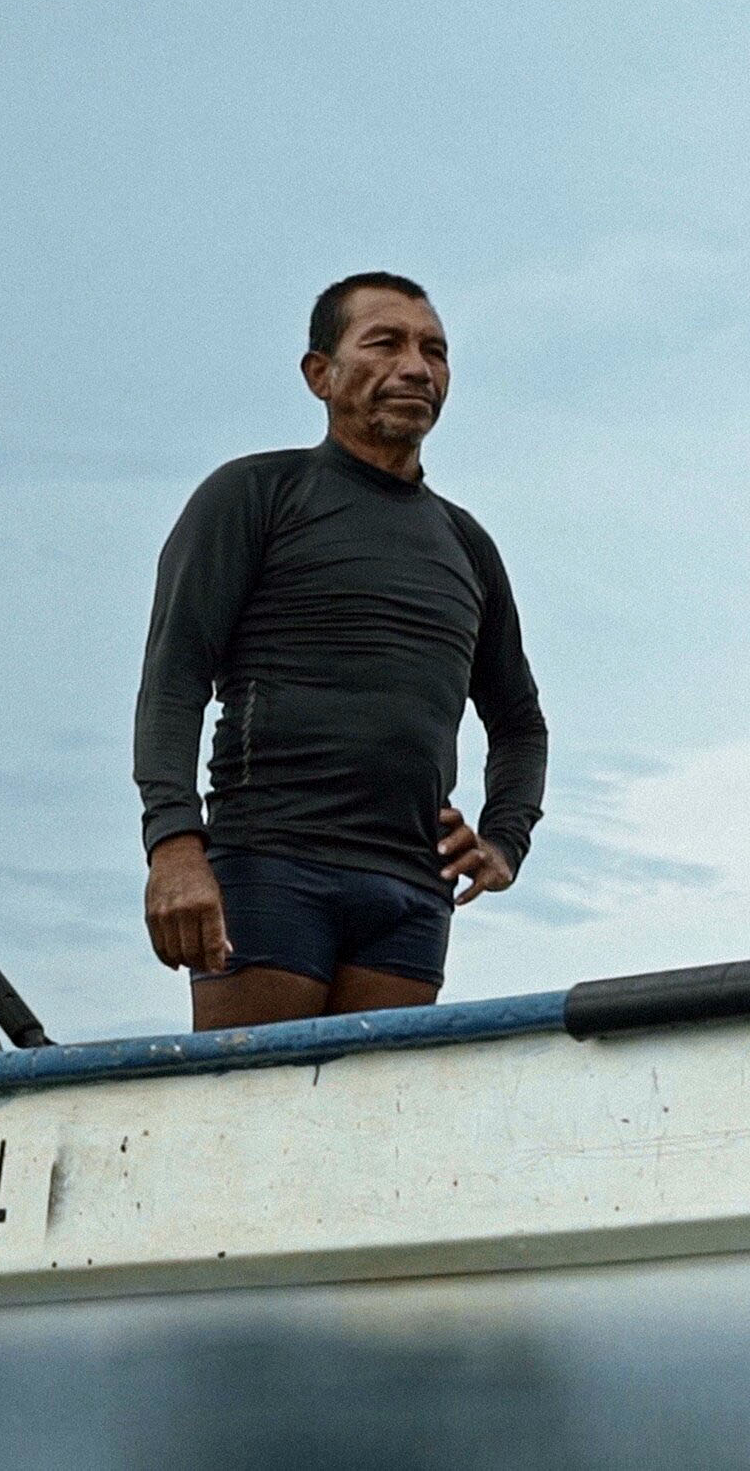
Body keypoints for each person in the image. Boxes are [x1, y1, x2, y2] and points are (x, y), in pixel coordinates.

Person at [134, 273, 547, 1028]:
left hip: (412, 891)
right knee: (260, 1094)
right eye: (385, 343)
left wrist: (504, 840)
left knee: (373, 1102)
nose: (416, 367)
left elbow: (519, 721)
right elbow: (174, 677)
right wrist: (174, 844)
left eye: (434, 351)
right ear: (319, 373)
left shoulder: (467, 544)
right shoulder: (255, 494)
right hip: (271, 863)